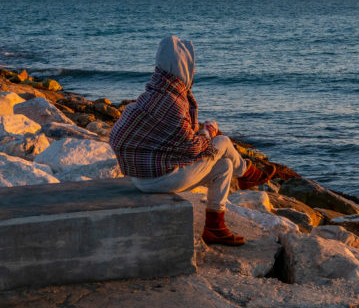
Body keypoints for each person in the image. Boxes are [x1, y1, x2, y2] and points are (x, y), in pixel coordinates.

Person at [109, 36, 274, 246]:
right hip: (159, 180)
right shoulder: (173, 102)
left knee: (224, 165)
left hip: (140, 177)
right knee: (222, 142)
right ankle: (247, 174)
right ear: (181, 67)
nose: (193, 72)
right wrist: (208, 132)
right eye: (191, 66)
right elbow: (192, 149)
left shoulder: (152, 94)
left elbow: (163, 137)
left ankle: (215, 227)